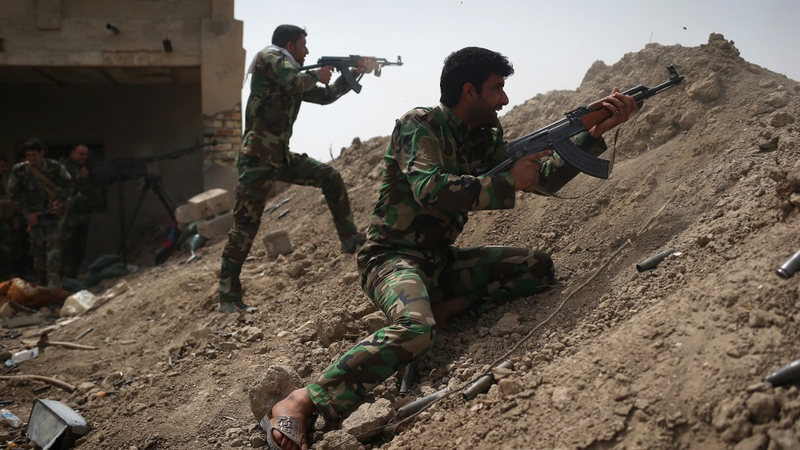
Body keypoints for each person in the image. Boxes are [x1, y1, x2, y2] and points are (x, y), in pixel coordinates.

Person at [261, 47, 638, 450]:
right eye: (497, 89)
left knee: (535, 267)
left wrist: (592, 134)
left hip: (440, 261)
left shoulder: (486, 137)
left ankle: (439, 311)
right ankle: (303, 399)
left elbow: (541, 180)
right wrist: (509, 181)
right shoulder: (419, 126)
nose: (504, 100)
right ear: (470, 91)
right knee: (416, 329)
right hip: (391, 258)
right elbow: (431, 188)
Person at [218, 24, 379, 314]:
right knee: (245, 227)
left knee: (329, 176)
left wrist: (356, 71)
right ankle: (228, 298)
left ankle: (349, 238)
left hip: (278, 156)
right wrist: (315, 74)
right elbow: (294, 81)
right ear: (289, 46)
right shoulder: (269, 58)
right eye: (303, 45)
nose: (307, 51)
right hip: (257, 159)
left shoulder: (291, 75)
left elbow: (325, 96)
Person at [8, 138, 74, 291]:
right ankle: (42, 282)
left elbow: (69, 185)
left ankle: (53, 283)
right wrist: (27, 214)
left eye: (35, 155)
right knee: (37, 250)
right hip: (35, 216)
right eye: (29, 155)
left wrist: (58, 203)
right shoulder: (20, 171)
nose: (32, 158)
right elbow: (15, 194)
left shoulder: (54, 167)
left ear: (42, 153)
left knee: (53, 245)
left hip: (53, 213)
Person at [60, 144, 93, 278]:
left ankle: (73, 277)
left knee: (80, 248)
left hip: (82, 215)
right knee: (66, 248)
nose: (84, 157)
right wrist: (79, 177)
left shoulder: (87, 168)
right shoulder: (63, 167)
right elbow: (64, 186)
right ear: (72, 154)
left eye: (86, 154)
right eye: (81, 154)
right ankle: (63, 279)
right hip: (68, 216)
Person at [0, 155, 14, 281]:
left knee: (6, 253)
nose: (5, 169)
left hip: (5, 221)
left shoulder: (8, 181)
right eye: (2, 166)